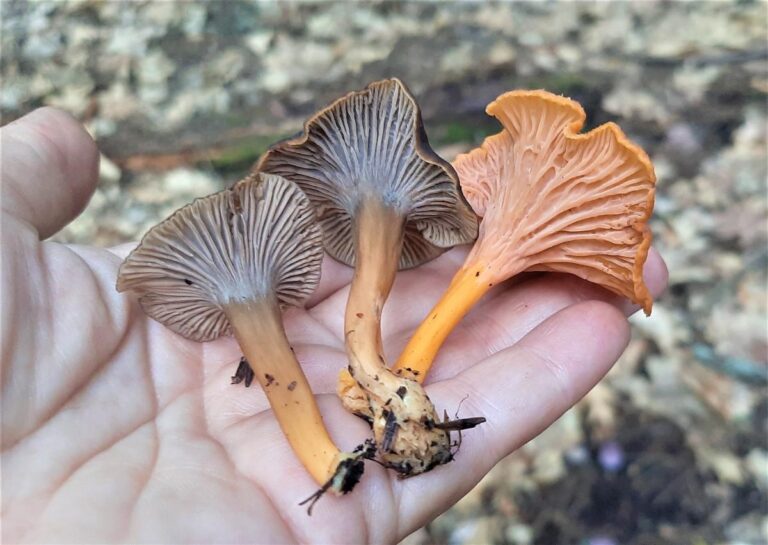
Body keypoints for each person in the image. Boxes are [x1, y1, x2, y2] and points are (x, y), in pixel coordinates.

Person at [1, 108, 667, 544]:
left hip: (394, 359)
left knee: (384, 354)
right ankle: (353, 436)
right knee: (353, 352)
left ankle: (383, 396)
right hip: (289, 330)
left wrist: (376, 379)